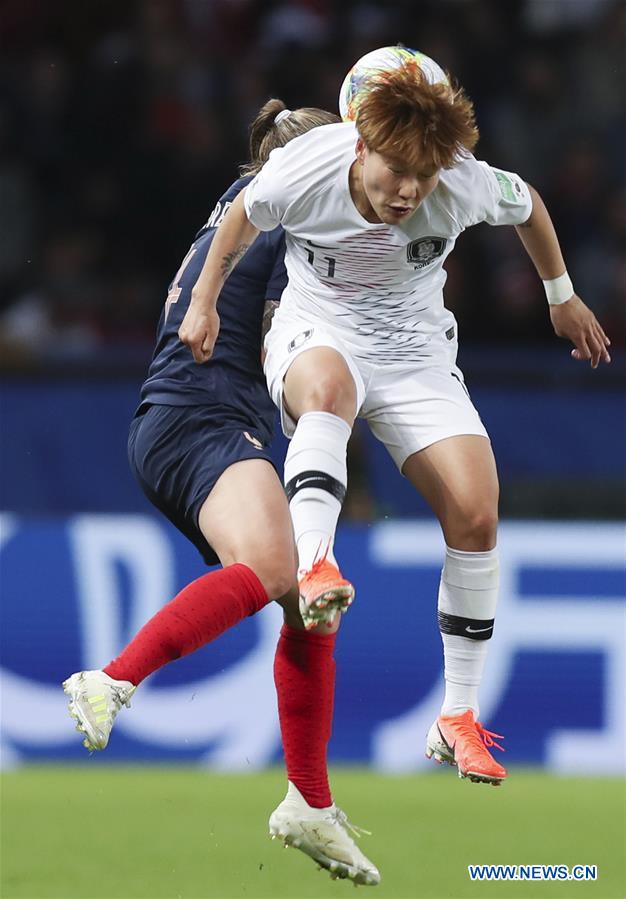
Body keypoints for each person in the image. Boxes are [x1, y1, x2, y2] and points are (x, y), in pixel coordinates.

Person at [179, 58, 611, 788]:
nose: (410, 190)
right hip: (316, 329)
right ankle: (315, 560)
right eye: (397, 170)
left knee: (476, 513)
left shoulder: (463, 180)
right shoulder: (309, 165)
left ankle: (458, 716)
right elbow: (243, 215)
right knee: (330, 388)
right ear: (360, 142)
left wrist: (560, 295)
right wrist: (205, 300)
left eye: (426, 172)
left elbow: (529, 203)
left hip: (415, 355)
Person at [62, 98, 380, 888]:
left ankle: (309, 799)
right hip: (201, 418)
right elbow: (291, 344)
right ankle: (114, 678)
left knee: (309, 590)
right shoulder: (290, 223)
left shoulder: (243, 213)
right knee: (280, 567)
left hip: (179, 417)